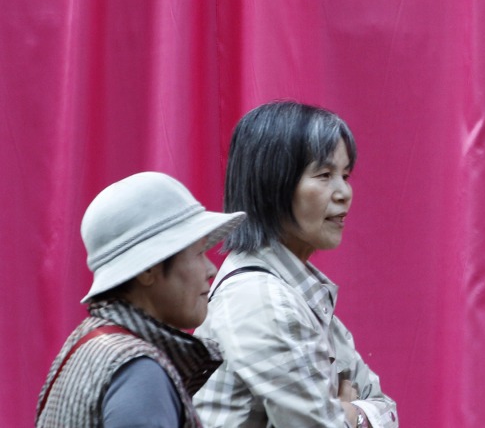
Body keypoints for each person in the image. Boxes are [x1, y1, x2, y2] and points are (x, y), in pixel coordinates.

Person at [195, 101, 397, 427]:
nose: (344, 192)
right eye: (324, 175)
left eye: (345, 175)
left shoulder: (302, 292)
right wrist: (357, 416)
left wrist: (353, 414)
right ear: (271, 184)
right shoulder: (260, 298)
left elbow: (384, 405)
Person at [36, 171, 245, 428]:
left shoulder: (88, 343)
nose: (211, 270)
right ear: (148, 269)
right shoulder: (140, 373)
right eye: (199, 253)